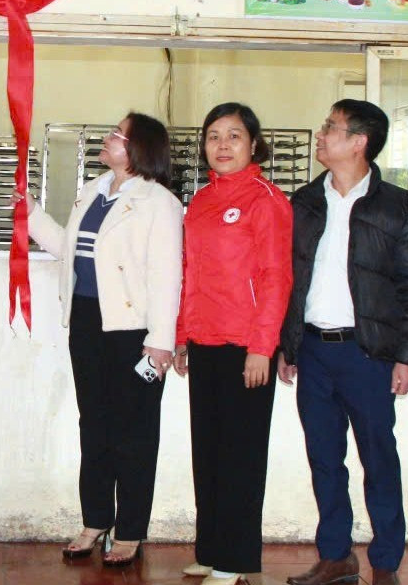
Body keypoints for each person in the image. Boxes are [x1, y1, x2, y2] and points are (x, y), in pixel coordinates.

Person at [16, 113, 183, 567]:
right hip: (89, 320)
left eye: (117, 134)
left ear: (137, 149)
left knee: (134, 432)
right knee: (94, 425)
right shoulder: (93, 191)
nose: (108, 138)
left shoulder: (159, 203)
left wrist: (161, 340)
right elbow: (68, 248)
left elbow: (168, 276)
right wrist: (29, 213)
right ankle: (95, 520)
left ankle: (130, 530)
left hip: (136, 331)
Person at [278, 99, 408, 585]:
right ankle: (336, 556)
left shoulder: (400, 206)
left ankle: (386, 562)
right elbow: (289, 278)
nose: (321, 135)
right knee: (324, 457)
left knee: (377, 457)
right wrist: (288, 343)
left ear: (359, 142)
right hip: (315, 352)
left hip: (370, 355)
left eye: (332, 128)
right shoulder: (304, 202)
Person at [173, 103, 292, 585]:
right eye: (214, 136)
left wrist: (262, 346)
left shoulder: (266, 200)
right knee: (209, 451)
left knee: (241, 456)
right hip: (204, 341)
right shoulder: (201, 200)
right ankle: (211, 548)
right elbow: (189, 273)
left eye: (234, 136)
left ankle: (236, 557)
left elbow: (275, 278)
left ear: (254, 144)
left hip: (247, 347)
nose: (222, 146)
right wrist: (181, 336)